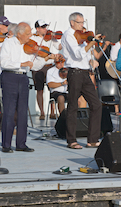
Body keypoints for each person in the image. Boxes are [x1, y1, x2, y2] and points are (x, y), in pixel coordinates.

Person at [0, 22, 58, 153]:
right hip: (10, 76)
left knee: (22, 112)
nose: (30, 36)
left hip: (23, 77)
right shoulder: (8, 43)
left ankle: (21, 144)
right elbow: (4, 62)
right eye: (27, 34)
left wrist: (46, 58)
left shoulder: (29, 45)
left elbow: (35, 65)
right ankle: (6, 144)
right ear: (19, 34)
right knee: (9, 111)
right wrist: (21, 63)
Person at [61, 12, 102, 149]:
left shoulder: (82, 37)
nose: (82, 25)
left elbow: (84, 56)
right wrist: (90, 43)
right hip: (75, 73)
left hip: (85, 73)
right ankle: (71, 140)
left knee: (96, 104)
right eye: (80, 23)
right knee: (73, 105)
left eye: (83, 22)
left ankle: (92, 139)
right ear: (72, 22)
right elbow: (77, 55)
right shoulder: (68, 35)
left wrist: (91, 60)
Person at [30, 19, 62, 120]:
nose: (45, 29)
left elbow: (59, 46)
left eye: (46, 27)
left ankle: (52, 111)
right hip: (38, 67)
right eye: (43, 27)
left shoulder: (50, 37)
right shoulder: (32, 38)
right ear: (37, 29)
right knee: (39, 90)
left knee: (52, 89)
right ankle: (42, 112)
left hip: (49, 66)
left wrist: (62, 39)